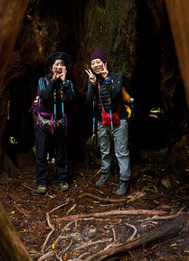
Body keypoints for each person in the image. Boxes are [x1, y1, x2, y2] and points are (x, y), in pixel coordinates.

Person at [85, 49, 131, 196]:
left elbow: (116, 94)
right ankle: (105, 173)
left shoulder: (116, 76)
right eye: (93, 63)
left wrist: (107, 80)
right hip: (102, 120)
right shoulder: (93, 79)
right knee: (104, 148)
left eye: (98, 62)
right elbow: (88, 99)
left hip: (119, 119)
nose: (96, 65)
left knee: (121, 151)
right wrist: (92, 84)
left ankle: (124, 180)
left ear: (104, 63)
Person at [34, 52, 75, 194]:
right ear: (51, 68)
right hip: (43, 124)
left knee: (61, 153)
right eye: (56, 64)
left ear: (65, 68)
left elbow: (71, 98)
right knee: (41, 154)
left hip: (60, 124)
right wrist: (53, 82)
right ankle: (41, 182)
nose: (59, 67)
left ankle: (63, 180)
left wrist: (64, 83)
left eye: (62, 65)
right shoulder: (42, 81)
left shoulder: (68, 83)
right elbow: (44, 96)